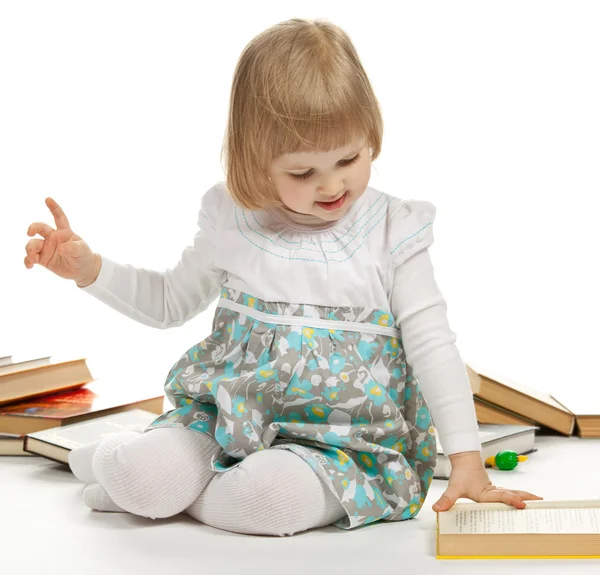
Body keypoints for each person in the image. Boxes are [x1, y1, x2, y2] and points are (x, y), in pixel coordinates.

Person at [23, 18, 542, 536]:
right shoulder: (233, 218)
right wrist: (89, 270)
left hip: (344, 444)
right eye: (302, 172)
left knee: (264, 501)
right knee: (142, 472)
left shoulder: (392, 231)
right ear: (256, 162)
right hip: (227, 421)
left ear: (371, 137)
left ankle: (149, 493)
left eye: (349, 157)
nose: (333, 184)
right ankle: (127, 473)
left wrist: (467, 460)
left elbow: (433, 345)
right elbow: (167, 303)